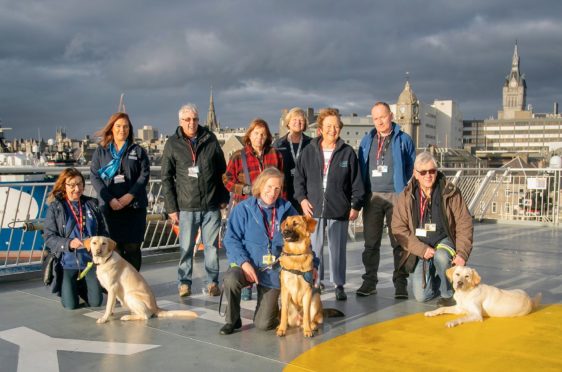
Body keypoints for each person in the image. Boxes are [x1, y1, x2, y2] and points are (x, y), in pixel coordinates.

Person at [294, 108, 364, 301]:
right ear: (320, 129)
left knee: (338, 249)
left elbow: (356, 183)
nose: (333, 130)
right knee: (314, 249)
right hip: (313, 209)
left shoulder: (347, 152)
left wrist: (355, 205)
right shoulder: (309, 151)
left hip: (338, 209)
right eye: (328, 126)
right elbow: (299, 178)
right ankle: (317, 281)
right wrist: (302, 199)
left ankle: (339, 284)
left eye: (336, 126)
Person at [220, 168, 299, 335]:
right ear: (261, 185)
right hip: (248, 264)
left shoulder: (287, 209)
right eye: (269, 187)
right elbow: (230, 239)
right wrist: (243, 262)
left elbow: (301, 237)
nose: (273, 192)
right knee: (231, 280)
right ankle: (232, 319)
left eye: (277, 188)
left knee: (263, 324)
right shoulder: (243, 209)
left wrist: (312, 264)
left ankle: (274, 312)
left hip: (273, 270)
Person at [161, 103, 229, 298]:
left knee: (211, 248)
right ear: (180, 122)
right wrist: (172, 208)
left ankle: (212, 283)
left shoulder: (210, 139)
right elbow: (166, 177)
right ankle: (184, 282)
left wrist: (223, 198)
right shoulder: (172, 143)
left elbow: (221, 171)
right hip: (187, 206)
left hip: (211, 205)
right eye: (187, 120)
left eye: (195, 119)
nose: (192, 123)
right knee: (186, 248)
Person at [391, 152, 473, 306]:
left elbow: (464, 222)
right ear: (415, 174)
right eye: (423, 172)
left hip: (444, 239)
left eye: (432, 171)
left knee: (441, 257)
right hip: (421, 245)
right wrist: (421, 250)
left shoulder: (450, 192)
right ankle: (438, 280)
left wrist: (462, 253)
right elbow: (398, 228)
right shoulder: (406, 196)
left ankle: (449, 294)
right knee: (422, 296)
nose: (428, 175)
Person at [356, 101, 416, 299]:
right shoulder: (367, 141)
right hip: (372, 197)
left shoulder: (403, 139)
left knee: (398, 242)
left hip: (396, 197)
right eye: (375, 118)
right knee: (370, 243)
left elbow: (410, 167)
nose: (379, 121)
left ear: (391, 116)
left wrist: (401, 186)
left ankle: (400, 284)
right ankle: (369, 282)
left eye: (382, 116)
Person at [223, 118, 284, 301]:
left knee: (265, 244)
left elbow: (281, 183)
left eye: (263, 134)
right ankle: (246, 284)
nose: (259, 137)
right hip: (247, 207)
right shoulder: (238, 155)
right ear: (249, 135)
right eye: (256, 133)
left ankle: (266, 282)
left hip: (269, 209)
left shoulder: (275, 155)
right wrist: (244, 189)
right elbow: (227, 179)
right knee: (245, 243)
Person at [90, 112, 150, 271]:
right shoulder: (101, 151)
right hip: (110, 209)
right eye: (118, 126)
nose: (122, 130)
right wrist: (110, 200)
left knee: (132, 249)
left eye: (125, 126)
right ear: (111, 128)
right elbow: (95, 177)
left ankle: (132, 285)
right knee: (112, 249)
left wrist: (130, 196)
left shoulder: (137, 151)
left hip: (133, 208)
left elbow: (144, 175)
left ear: (130, 129)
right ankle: (114, 288)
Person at [43, 168, 107, 309]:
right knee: (70, 306)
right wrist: (68, 243)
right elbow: (49, 236)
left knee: (96, 303)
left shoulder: (92, 204)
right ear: (63, 186)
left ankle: (82, 285)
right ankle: (71, 287)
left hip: (90, 262)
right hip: (67, 262)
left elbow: (104, 232)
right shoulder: (56, 207)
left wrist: (99, 245)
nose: (77, 189)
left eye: (79, 184)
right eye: (71, 185)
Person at [273, 107, 312, 214]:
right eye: (294, 120)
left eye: (301, 120)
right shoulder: (278, 144)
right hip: (285, 191)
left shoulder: (312, 144)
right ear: (288, 123)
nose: (298, 122)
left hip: (306, 192)